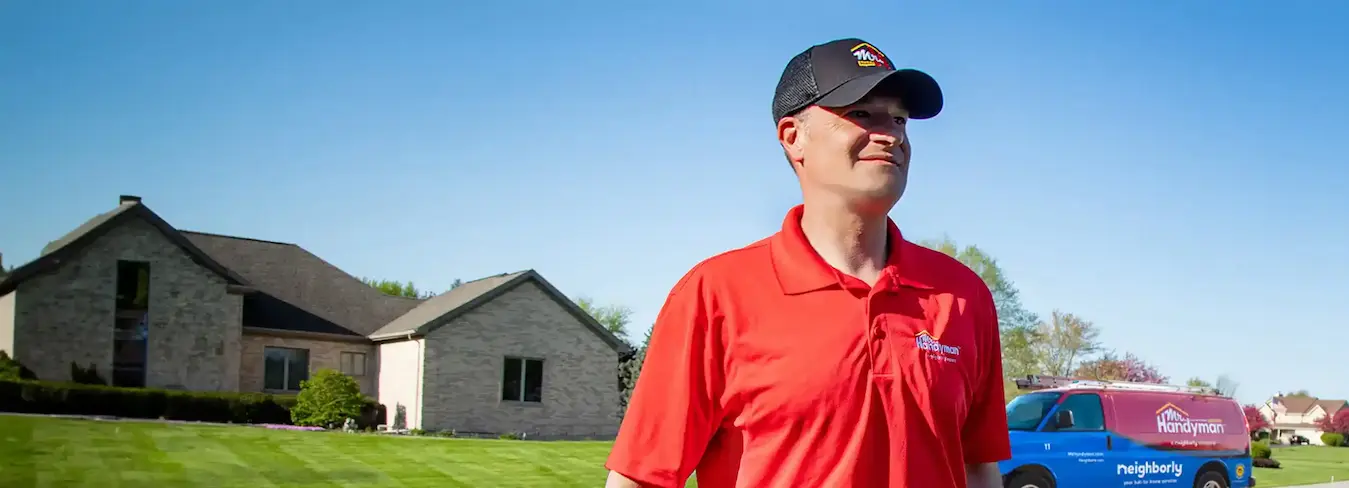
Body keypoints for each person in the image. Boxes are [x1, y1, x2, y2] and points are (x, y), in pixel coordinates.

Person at [604, 38, 1011, 488]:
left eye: (899, 119)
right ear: (793, 138)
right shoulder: (716, 294)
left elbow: (977, 468)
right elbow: (642, 478)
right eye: (861, 113)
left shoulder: (962, 295)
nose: (891, 134)